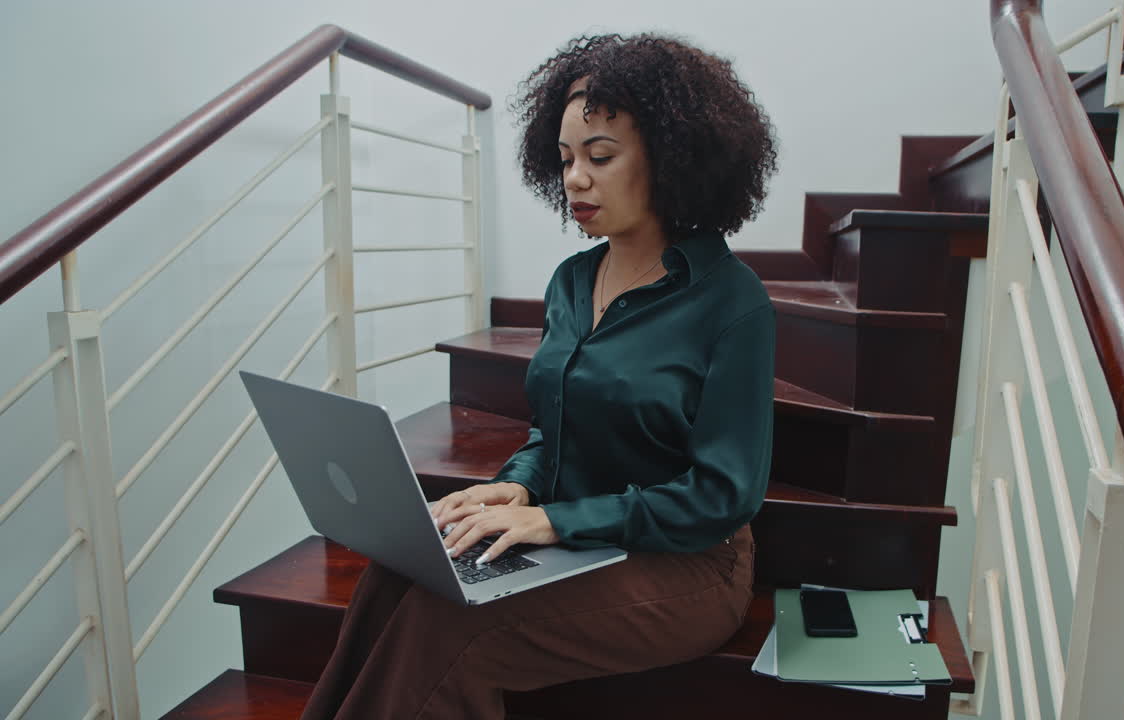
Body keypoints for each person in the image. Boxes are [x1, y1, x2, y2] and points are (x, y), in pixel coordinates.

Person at [299, 32, 778, 719]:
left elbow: (721, 496)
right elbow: (553, 430)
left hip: (689, 567)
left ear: (673, 160)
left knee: (459, 626)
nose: (575, 179)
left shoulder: (733, 303)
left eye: (600, 157)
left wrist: (556, 521)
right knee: (396, 573)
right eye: (564, 160)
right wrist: (513, 487)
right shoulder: (572, 282)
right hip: (573, 540)